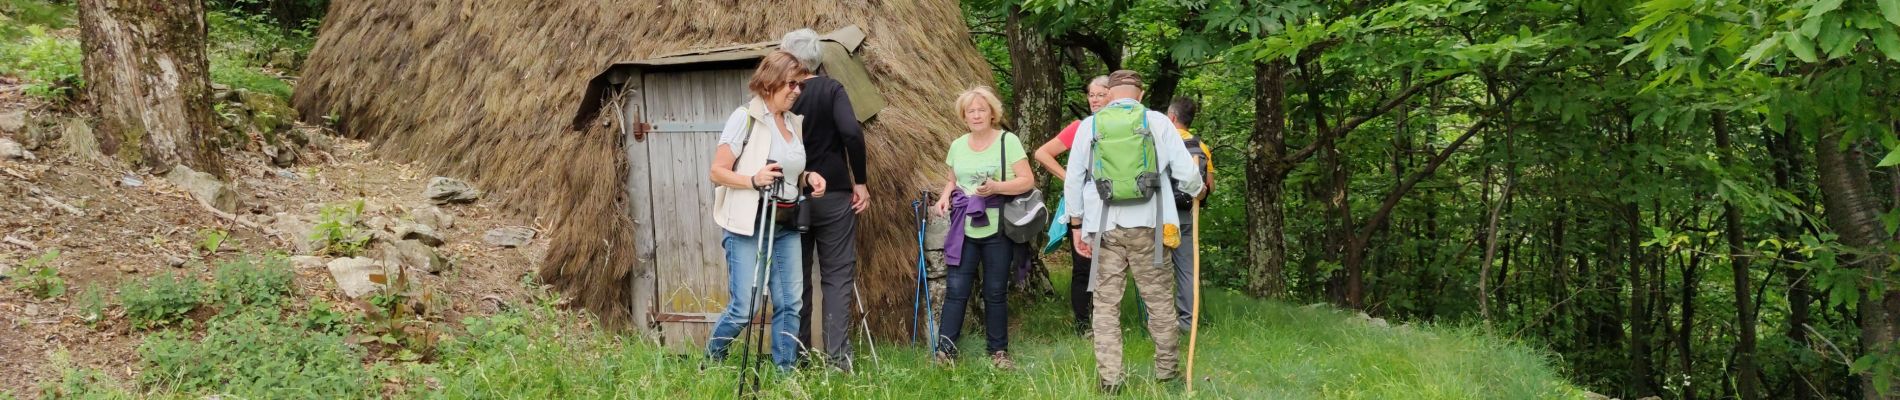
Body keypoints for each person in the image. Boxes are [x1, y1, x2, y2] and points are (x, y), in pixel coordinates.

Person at [1063, 70, 1202, 393]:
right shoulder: (1157, 121)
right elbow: (1185, 171)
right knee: (1159, 302)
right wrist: (1196, 190)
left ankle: (1110, 379)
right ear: (1140, 95)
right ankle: (1167, 372)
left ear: (1109, 94)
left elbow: (1073, 179)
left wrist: (1076, 226)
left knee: (1106, 305)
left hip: (1102, 227)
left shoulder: (1090, 126)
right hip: (1150, 226)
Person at [704, 50, 825, 373]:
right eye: (791, 84)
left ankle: (785, 374)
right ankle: (711, 361)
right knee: (744, 308)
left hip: (784, 223)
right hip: (746, 224)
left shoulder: (793, 123)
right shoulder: (744, 117)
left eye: (799, 85)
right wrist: (753, 180)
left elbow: (789, 170)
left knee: (790, 304)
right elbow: (717, 171)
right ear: (770, 83)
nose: (797, 91)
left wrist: (807, 176)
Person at [780, 28, 870, 373]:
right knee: (836, 277)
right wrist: (859, 182)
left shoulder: (782, 94)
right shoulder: (831, 88)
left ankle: (798, 358)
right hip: (833, 195)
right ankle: (837, 361)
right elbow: (851, 132)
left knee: (796, 279)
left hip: (791, 197)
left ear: (791, 58)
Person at [930, 86, 1035, 370]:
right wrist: (943, 196)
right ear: (964, 116)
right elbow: (952, 180)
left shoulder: (1007, 141)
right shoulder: (957, 145)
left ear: (992, 114)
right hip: (963, 228)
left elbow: (1027, 180)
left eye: (981, 110)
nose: (976, 115)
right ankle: (945, 352)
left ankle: (998, 353)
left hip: (998, 226)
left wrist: (996, 187)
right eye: (970, 111)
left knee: (995, 291)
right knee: (956, 289)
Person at [1031, 75, 1111, 336]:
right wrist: (1071, 179)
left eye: (1102, 94)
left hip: (1116, 205)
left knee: (1111, 264)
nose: (1096, 99)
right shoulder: (1079, 127)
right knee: (1084, 264)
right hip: (1084, 207)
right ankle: (1083, 324)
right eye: (1092, 94)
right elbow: (1042, 153)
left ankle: (1107, 322)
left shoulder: (1122, 125)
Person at [1165, 96, 1214, 334]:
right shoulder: (1201, 146)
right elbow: (1209, 187)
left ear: (1172, 117)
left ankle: (1162, 321)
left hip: (1161, 213)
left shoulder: (1163, 140)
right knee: (1186, 270)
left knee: (1157, 268)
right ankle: (1187, 322)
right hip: (1187, 214)